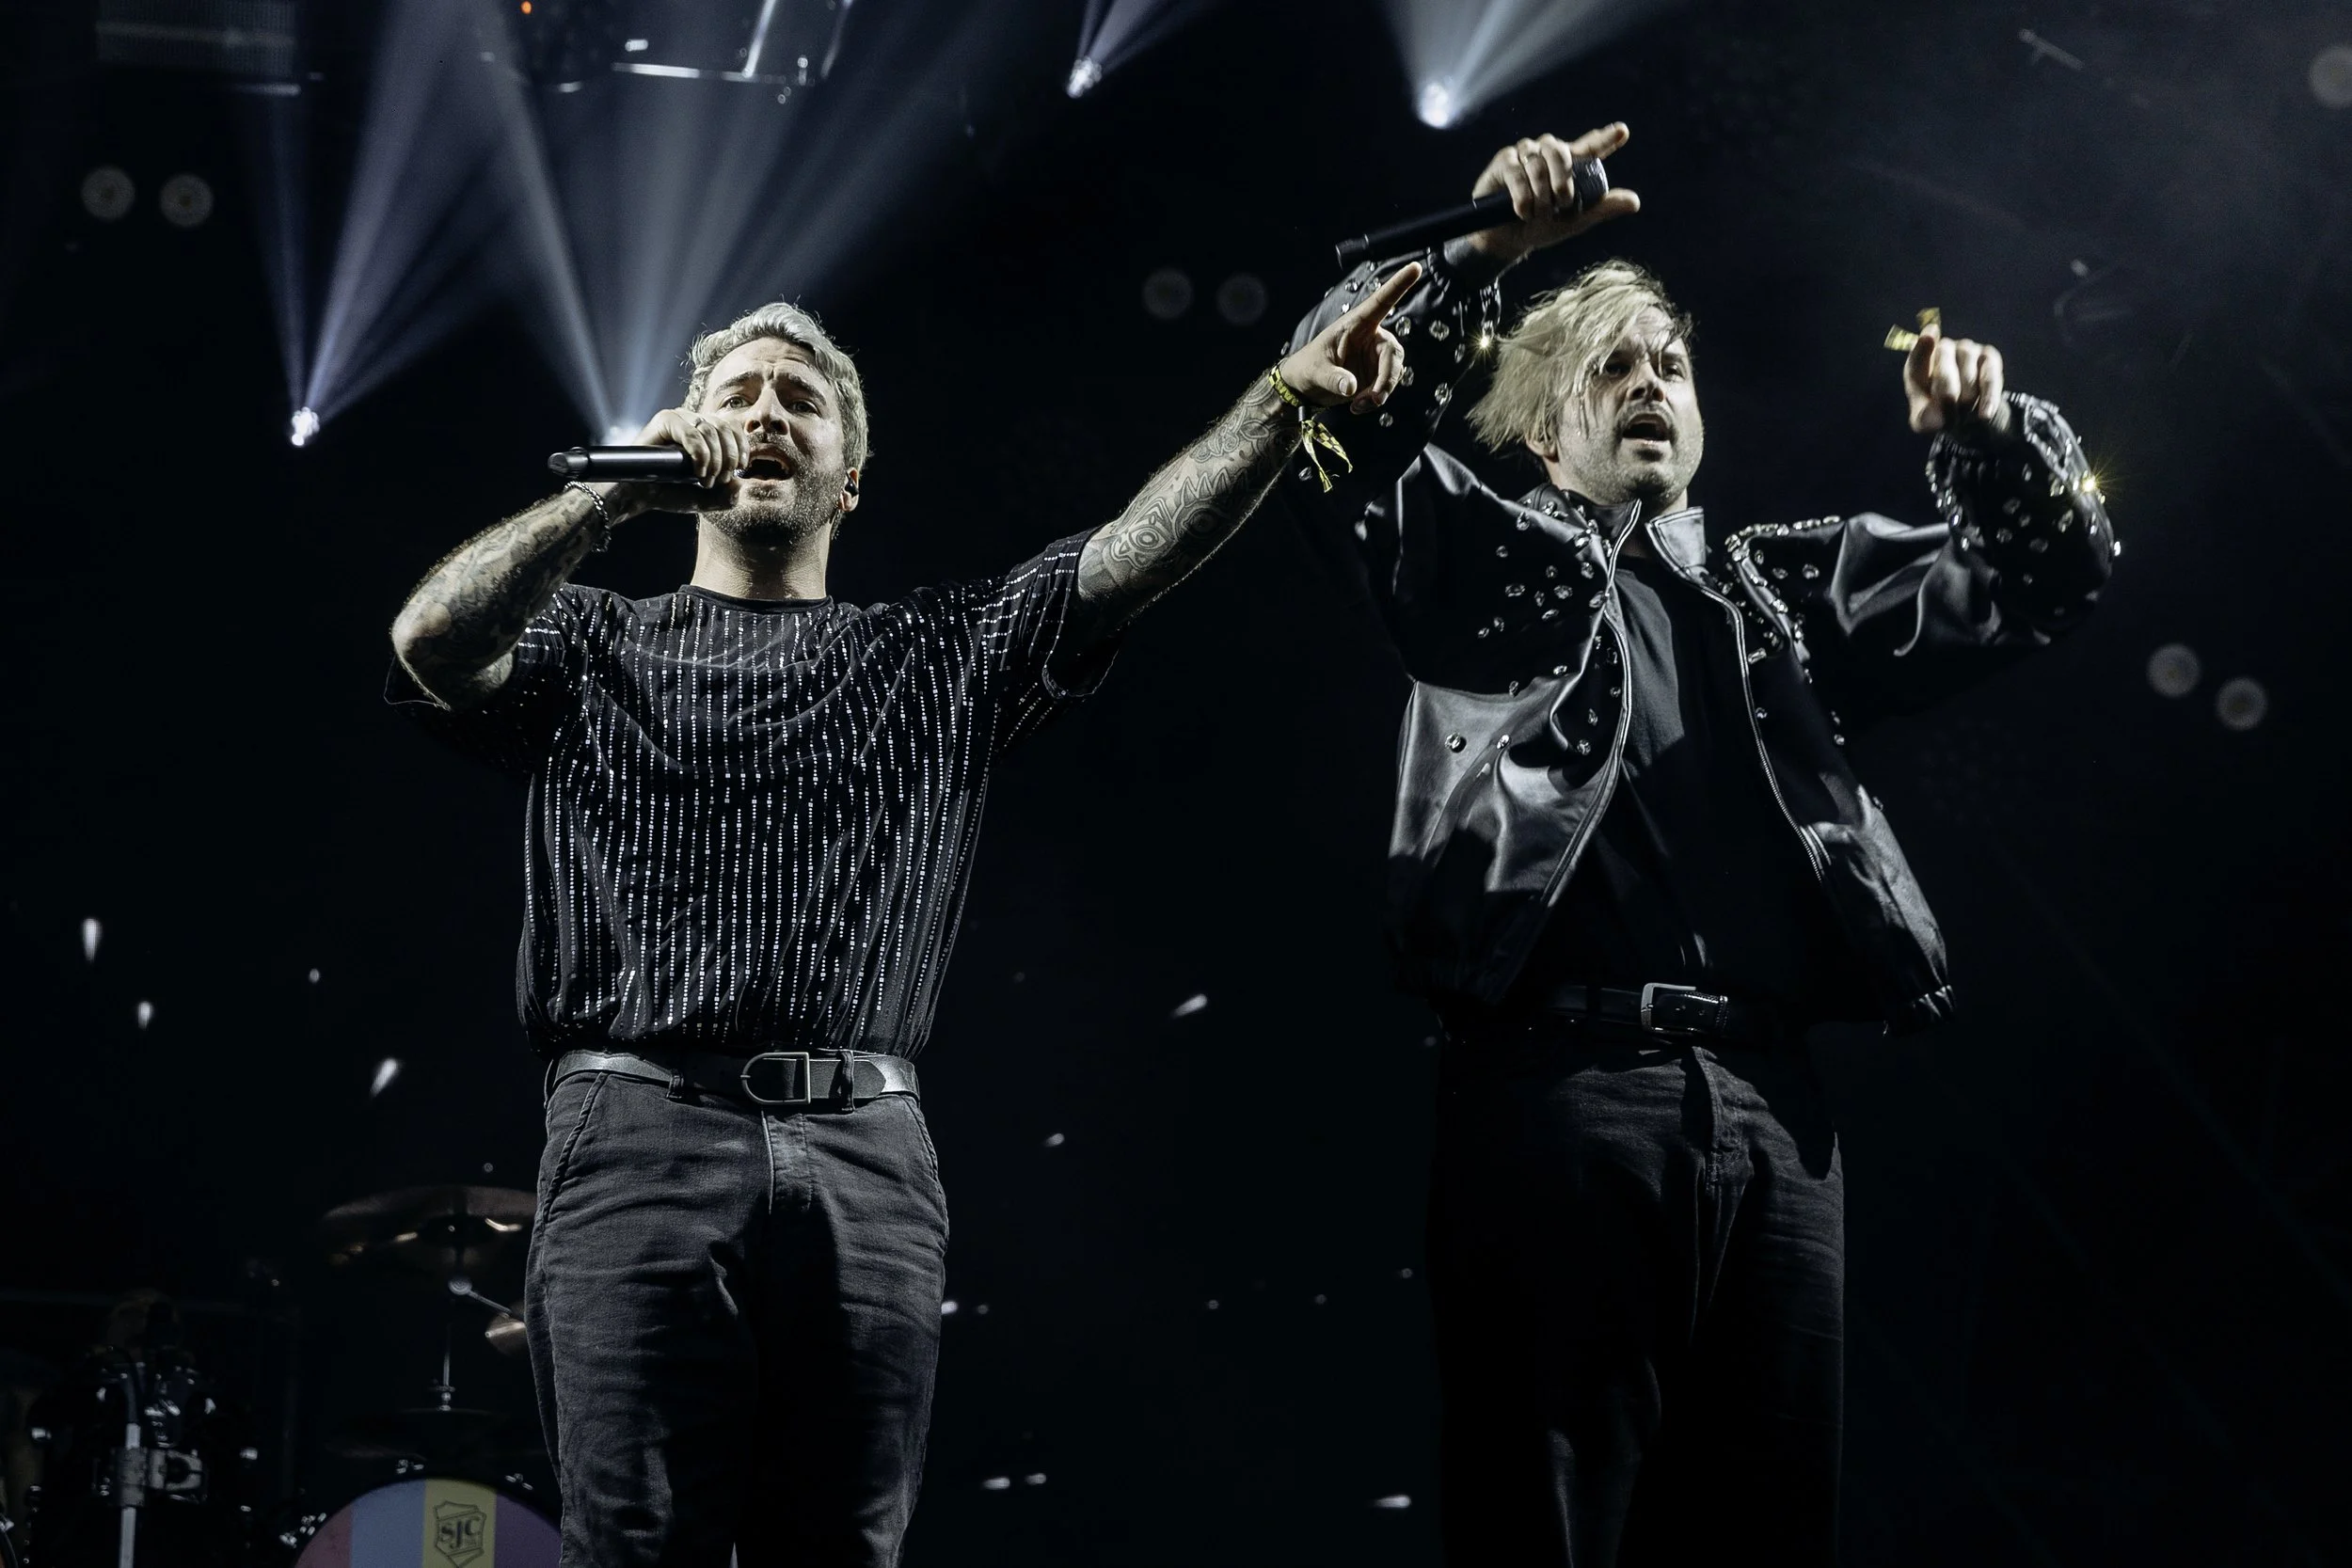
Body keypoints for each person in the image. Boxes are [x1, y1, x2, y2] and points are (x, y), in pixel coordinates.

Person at [385, 274, 1420, 1568]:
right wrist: (608, 493)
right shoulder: (587, 640)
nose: (764, 414)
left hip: (865, 1145)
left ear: (850, 477)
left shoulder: (935, 653)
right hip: (635, 1125)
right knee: (633, 1542)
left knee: (845, 1547)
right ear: (683, 430)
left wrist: (1278, 404)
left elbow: (1127, 554)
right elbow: (431, 638)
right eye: (735, 396)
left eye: (799, 400)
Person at [1286, 124, 2115, 1564]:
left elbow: (2041, 580)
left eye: (1669, 365)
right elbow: (1334, 398)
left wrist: (1985, 444)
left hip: (1772, 1112)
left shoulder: (1770, 592)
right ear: (1545, 428)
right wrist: (1484, 252)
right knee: (1547, 1520)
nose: (1653, 384)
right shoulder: (1481, 560)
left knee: (1766, 1527)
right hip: (1561, 1090)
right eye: (1614, 367)